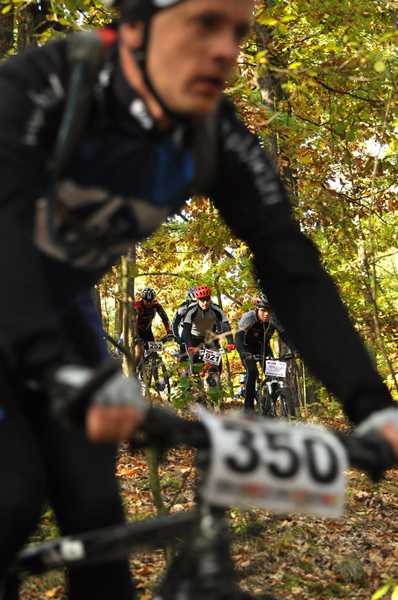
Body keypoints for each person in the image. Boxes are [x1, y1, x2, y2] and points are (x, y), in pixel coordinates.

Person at [0, 0, 398, 597]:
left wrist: (372, 405)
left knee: (95, 515)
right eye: (205, 22)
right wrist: (53, 366)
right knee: (13, 497)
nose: (226, 50)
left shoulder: (214, 132)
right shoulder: (44, 85)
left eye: (238, 31)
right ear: (133, 26)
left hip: (60, 311)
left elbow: (291, 268)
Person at [235, 293, 299, 414]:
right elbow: (238, 337)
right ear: (257, 308)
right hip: (247, 348)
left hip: (263, 348)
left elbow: (285, 336)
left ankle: (268, 403)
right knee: (252, 371)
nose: (266, 314)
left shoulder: (274, 318)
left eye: (269, 311)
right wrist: (242, 352)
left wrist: (295, 349)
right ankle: (248, 408)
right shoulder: (249, 317)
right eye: (263, 310)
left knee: (273, 375)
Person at [133, 287, 173, 364]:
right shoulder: (137, 306)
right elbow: (133, 322)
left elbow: (165, 318)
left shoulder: (156, 305)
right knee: (139, 351)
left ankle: (153, 372)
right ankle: (132, 372)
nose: (149, 303)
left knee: (153, 353)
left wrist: (169, 332)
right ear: (142, 299)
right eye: (147, 301)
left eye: (151, 301)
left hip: (147, 331)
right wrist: (135, 336)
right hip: (136, 330)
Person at [172, 286, 197, 360]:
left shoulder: (206, 306)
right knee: (183, 348)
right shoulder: (183, 308)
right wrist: (177, 337)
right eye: (194, 302)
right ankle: (185, 370)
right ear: (189, 300)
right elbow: (175, 323)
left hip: (200, 330)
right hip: (186, 330)